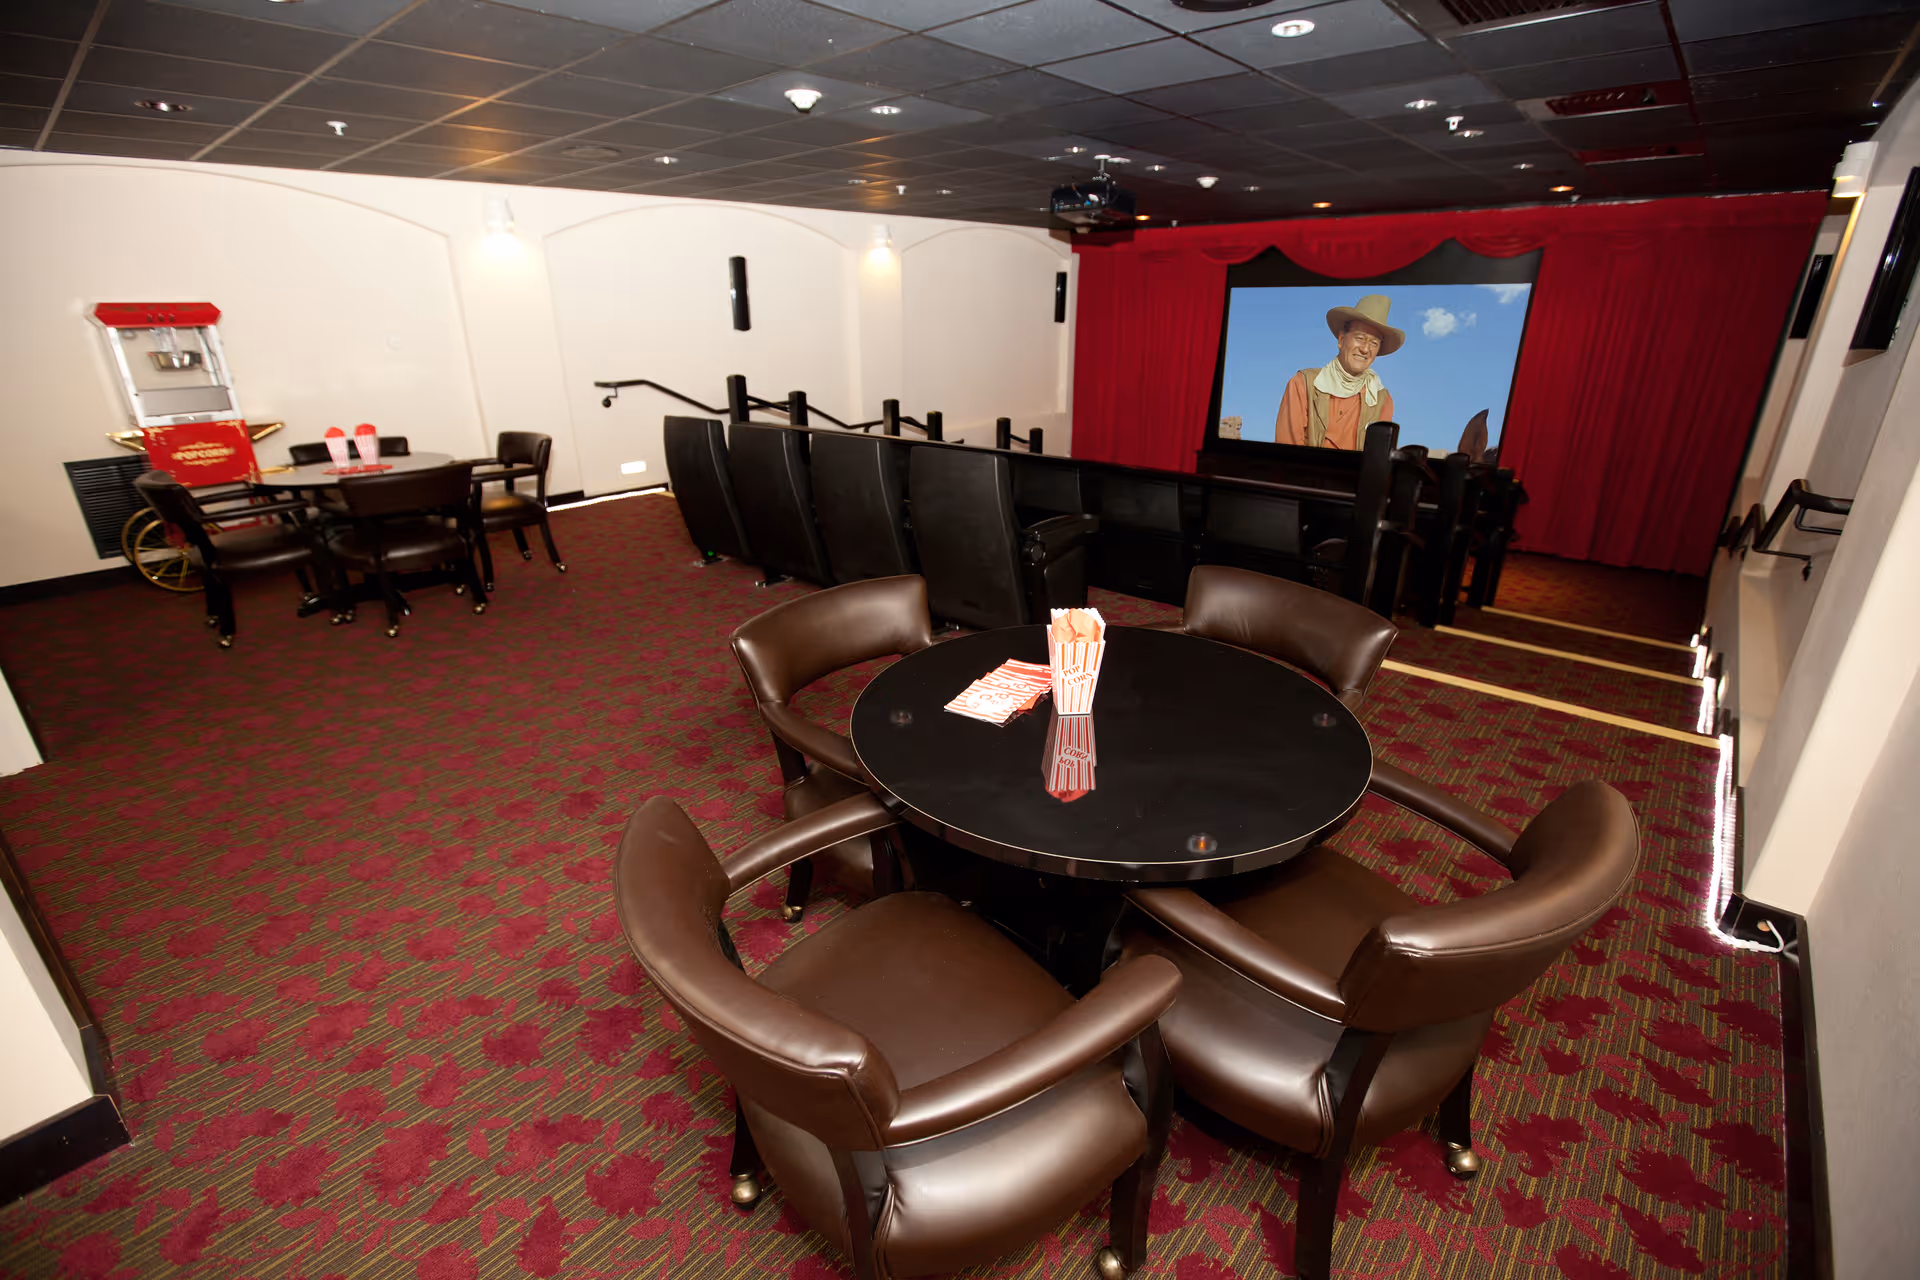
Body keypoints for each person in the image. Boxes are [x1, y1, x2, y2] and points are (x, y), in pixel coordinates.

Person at [1275, 294, 1403, 449]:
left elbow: (1376, 457)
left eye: (1374, 343)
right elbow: (1287, 452)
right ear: (1341, 340)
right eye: (1360, 338)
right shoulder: (1303, 383)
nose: (1365, 349)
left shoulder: (1382, 399)